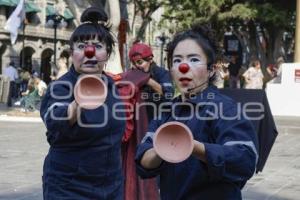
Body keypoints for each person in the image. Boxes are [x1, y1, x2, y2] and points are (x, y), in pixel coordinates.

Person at [135, 24, 258, 200]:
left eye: (194, 59)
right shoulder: (167, 111)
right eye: (177, 60)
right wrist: (162, 148)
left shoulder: (225, 108)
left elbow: (244, 160)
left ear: (211, 69)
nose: (184, 67)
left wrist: (193, 146)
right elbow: (143, 161)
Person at [40, 7, 126, 199]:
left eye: (97, 46)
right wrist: (80, 99)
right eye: (81, 46)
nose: (89, 52)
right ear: (72, 53)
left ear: (108, 53)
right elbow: (55, 119)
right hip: (69, 187)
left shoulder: (112, 85)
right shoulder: (61, 87)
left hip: (111, 186)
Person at [128, 42, 174, 122]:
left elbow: (169, 95)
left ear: (150, 59)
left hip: (159, 120)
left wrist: (147, 80)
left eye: (139, 62)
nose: (136, 66)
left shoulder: (162, 73)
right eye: (133, 63)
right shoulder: (133, 74)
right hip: (139, 121)